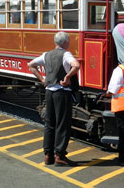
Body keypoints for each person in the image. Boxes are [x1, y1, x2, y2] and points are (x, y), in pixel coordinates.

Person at [28, 31, 80, 167]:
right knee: (62, 124)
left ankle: (48, 155)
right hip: (61, 93)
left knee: (49, 124)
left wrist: (42, 79)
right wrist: (67, 77)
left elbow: (31, 65)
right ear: (66, 42)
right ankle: (59, 156)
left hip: (49, 92)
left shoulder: (47, 54)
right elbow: (76, 65)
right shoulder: (66, 54)